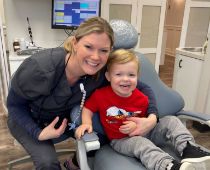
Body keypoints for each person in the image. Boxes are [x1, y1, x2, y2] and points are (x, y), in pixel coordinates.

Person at [7, 17, 158, 170]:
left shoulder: (101, 73)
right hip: (27, 119)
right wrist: (37, 133)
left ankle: (73, 163)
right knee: (48, 163)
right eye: (88, 47)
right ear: (74, 43)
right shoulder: (40, 68)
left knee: (100, 139)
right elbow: (14, 105)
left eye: (103, 50)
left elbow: (143, 88)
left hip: (63, 120)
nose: (95, 57)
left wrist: (152, 118)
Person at [75, 49, 210, 170]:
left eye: (131, 75)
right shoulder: (101, 95)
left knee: (171, 120)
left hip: (146, 132)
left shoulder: (142, 98)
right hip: (121, 140)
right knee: (141, 143)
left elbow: (145, 120)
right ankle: (167, 165)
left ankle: (189, 149)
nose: (126, 79)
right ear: (108, 77)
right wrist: (87, 123)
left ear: (137, 78)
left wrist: (137, 124)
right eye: (119, 74)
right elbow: (87, 108)